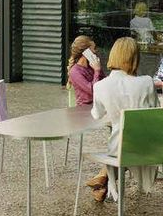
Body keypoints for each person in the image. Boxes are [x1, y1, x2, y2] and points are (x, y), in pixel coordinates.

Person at [90, 37, 160, 203]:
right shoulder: (147, 82)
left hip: (119, 148)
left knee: (121, 147)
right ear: (135, 58)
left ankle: (104, 180)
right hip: (149, 147)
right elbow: (155, 112)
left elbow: (97, 114)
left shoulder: (100, 86)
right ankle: (103, 180)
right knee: (131, 144)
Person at [67, 35, 103, 105]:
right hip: (85, 108)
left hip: (98, 105)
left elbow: (104, 82)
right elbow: (92, 90)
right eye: (94, 48)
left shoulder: (92, 66)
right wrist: (97, 70)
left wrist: (98, 68)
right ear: (86, 52)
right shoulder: (75, 72)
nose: (95, 51)